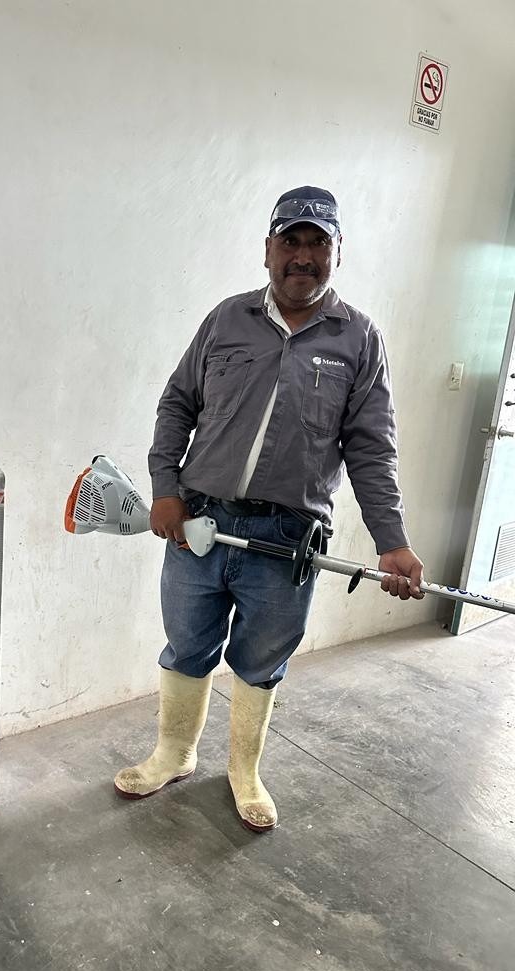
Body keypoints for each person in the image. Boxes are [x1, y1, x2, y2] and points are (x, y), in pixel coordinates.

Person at [113, 185, 424, 831]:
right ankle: (174, 753)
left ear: (337, 252)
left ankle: (243, 770)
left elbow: (372, 449)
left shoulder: (358, 338)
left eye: (318, 243)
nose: (303, 256)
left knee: (260, 660)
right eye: (291, 241)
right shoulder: (226, 320)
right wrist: (166, 488)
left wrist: (391, 540)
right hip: (199, 523)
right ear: (268, 249)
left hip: (288, 538)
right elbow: (177, 404)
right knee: (187, 644)